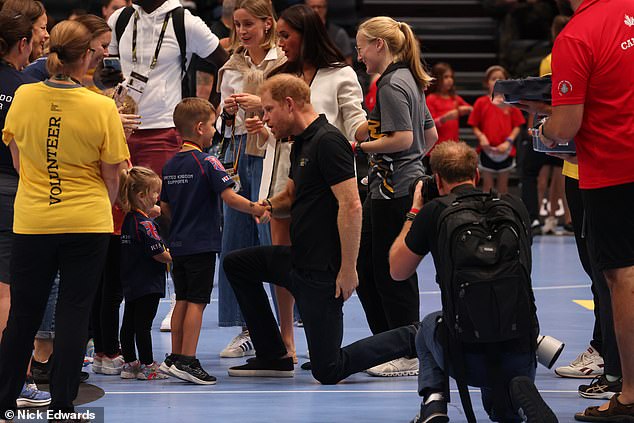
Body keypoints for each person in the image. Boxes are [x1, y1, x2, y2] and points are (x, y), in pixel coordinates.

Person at [223, 73, 418, 383]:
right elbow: (290, 195)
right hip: (298, 261)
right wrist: (267, 206)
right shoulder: (301, 142)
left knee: (328, 370)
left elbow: (351, 205)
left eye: (269, 109)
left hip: (321, 274)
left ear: (289, 104)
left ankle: (412, 337)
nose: (264, 118)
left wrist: (348, 270)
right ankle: (275, 355)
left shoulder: (328, 142)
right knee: (236, 264)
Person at [0, 19, 129, 419]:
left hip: (34, 218)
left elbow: (18, 158)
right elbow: (114, 174)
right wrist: (97, 208)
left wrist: (44, 185)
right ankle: (62, 402)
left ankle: (5, 399)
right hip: (86, 221)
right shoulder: (101, 106)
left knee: (24, 311)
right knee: (74, 311)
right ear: (88, 55)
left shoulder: (23, 96)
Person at [519, 0, 634, 419]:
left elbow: (566, 126)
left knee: (621, 277)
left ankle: (630, 393)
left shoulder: (577, 34)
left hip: (613, 169)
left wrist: (541, 124)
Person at [388, 141, 556, 423]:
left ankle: (434, 405)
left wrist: (415, 211)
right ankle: (520, 390)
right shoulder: (513, 206)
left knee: (428, 325)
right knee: (501, 412)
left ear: (437, 179)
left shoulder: (435, 212)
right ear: (477, 174)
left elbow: (397, 270)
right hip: (520, 346)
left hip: (466, 354)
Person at [241, 3, 368, 362]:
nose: (280, 43)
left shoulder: (340, 74)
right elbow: (280, 130)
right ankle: (286, 342)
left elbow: (355, 123)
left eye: (285, 35)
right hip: (281, 178)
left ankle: (322, 338)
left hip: (324, 180)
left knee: (315, 261)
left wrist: (386, 131)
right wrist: (263, 128)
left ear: (306, 34)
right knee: (283, 263)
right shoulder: (281, 74)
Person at [158, 97, 269, 385]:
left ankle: (175, 356)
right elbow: (230, 197)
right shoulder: (208, 161)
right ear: (199, 128)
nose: (212, 131)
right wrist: (256, 208)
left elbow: (165, 208)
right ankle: (188, 360)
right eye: (210, 125)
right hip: (202, 244)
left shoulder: (170, 165)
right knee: (197, 301)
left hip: (179, 243)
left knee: (182, 298)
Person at [354, 16, 437, 377]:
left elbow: (403, 138)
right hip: (391, 187)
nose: (359, 57)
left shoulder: (391, 84)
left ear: (379, 45)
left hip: (396, 191)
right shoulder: (408, 79)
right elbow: (429, 136)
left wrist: (361, 145)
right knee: (367, 266)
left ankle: (407, 351)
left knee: (391, 272)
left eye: (361, 48)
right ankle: (390, 343)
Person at [214, 0, 287, 361]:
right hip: (238, 156)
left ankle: (280, 327)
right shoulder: (230, 67)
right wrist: (226, 114)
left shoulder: (283, 62)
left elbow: (295, 109)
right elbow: (219, 128)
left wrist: (260, 105)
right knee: (236, 241)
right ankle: (248, 327)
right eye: (238, 25)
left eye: (249, 25)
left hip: (272, 154)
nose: (242, 32)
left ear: (268, 24)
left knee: (269, 242)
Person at [0, 10, 52, 409]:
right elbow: (23, 157)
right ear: (22, 43)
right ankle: (12, 383)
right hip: (9, 192)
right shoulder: (23, 89)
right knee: (7, 292)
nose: (44, 37)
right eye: (39, 30)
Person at [118, 166, 171, 381]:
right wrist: (172, 255)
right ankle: (148, 365)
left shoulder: (129, 221)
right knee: (144, 325)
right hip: (148, 283)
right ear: (142, 196)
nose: (157, 197)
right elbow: (159, 253)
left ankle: (130, 363)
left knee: (129, 323)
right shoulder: (146, 225)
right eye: (155, 193)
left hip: (131, 280)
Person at [468, 65, 525, 194]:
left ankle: (502, 211)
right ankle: (487, 212)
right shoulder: (481, 103)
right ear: (486, 82)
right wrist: (481, 137)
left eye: (501, 78)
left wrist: (508, 142)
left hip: (506, 150)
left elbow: (517, 125)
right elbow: (474, 125)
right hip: (487, 150)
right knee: (487, 185)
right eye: (493, 78)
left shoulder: (511, 102)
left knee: (503, 187)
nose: (497, 81)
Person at [426, 62, 472, 148]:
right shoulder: (431, 99)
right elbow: (428, 125)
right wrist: (444, 118)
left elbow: (471, 110)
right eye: (446, 77)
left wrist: (467, 109)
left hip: (453, 146)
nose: (450, 80)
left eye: (451, 77)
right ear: (437, 79)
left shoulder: (454, 98)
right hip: (436, 148)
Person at [304, 0, 353, 64]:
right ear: (305, 9)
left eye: (319, 7)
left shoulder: (339, 34)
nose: (316, 10)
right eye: (312, 7)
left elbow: (348, 64)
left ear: (325, 8)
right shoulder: (299, 32)